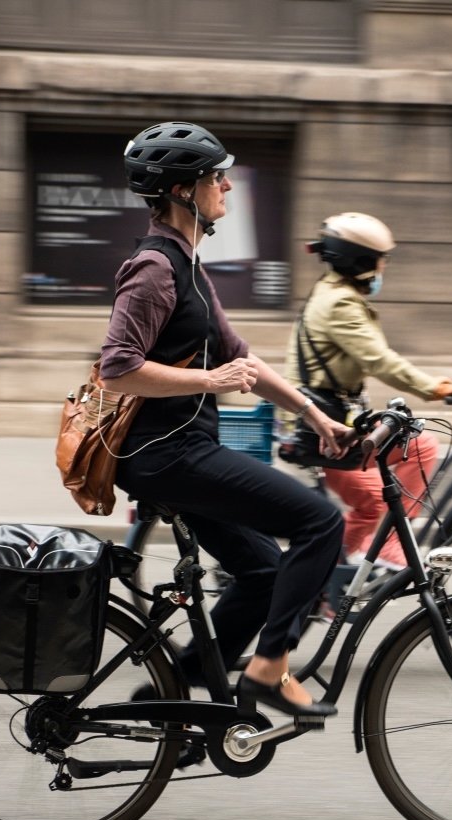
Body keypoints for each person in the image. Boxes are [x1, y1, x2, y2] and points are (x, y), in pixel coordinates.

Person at [101, 121, 354, 718]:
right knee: (320, 523)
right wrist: (206, 382)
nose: (229, 188)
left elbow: (241, 357)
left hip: (185, 451)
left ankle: (171, 696)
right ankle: (268, 670)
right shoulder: (153, 269)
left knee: (266, 572)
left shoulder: (187, 265)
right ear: (184, 189)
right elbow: (117, 369)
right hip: (168, 455)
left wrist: (313, 414)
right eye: (219, 177)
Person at [283, 212, 452, 571]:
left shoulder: (335, 294)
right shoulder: (340, 304)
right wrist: (436, 387)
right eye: (379, 259)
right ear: (359, 261)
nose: (383, 267)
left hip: (335, 417)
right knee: (374, 499)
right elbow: (379, 361)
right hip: (321, 428)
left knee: (419, 446)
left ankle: (361, 555)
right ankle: (329, 579)